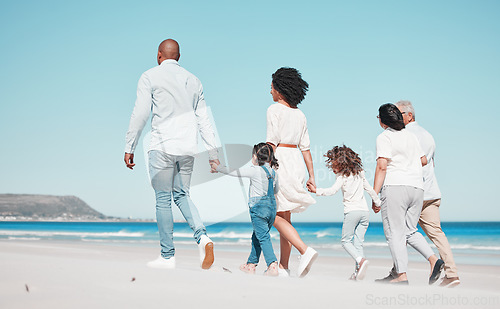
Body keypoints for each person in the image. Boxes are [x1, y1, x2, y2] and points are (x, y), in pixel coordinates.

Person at [123, 39, 219, 270]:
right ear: (178, 56)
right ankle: (202, 237)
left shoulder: (149, 76)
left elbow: (140, 114)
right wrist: (213, 153)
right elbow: (204, 119)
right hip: (188, 148)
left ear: (159, 55)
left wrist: (130, 145)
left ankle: (167, 256)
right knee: (183, 195)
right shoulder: (194, 80)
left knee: (163, 200)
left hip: (162, 146)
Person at [372, 103, 444, 285]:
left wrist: (374, 194)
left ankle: (401, 275)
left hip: (395, 186)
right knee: (409, 231)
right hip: (417, 188)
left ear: (383, 121)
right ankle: (434, 260)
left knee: (394, 232)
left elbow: (382, 166)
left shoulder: (384, 137)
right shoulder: (411, 136)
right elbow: (423, 160)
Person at [395, 100, 460, 287]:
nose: (397, 118)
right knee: (437, 234)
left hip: (412, 191)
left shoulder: (404, 135)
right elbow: (432, 163)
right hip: (431, 191)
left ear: (409, 116)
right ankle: (452, 274)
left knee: (400, 233)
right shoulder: (428, 135)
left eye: (399, 114)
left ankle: (399, 273)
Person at [266, 67, 318, 278]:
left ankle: (304, 250)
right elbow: (306, 148)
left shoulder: (274, 109)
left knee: (272, 215)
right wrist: (312, 175)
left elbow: (271, 141)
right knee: (285, 215)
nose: (270, 92)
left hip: (281, 160)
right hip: (296, 160)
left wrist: (261, 163)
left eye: (271, 88)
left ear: (280, 89)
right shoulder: (300, 114)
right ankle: (284, 267)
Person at [308, 145, 381, 281]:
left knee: (345, 241)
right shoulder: (360, 173)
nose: (332, 168)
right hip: (365, 213)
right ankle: (357, 273)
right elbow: (370, 190)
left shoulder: (342, 177)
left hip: (352, 212)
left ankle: (360, 261)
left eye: (333, 164)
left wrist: (315, 190)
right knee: (358, 244)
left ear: (340, 163)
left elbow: (331, 191)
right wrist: (378, 203)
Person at [211, 143, 280, 276]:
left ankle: (272, 264)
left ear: (255, 157)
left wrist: (218, 167)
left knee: (263, 237)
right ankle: (250, 265)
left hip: (259, 208)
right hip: (271, 208)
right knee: (258, 236)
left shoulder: (254, 170)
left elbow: (235, 172)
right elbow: (276, 190)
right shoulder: (274, 173)